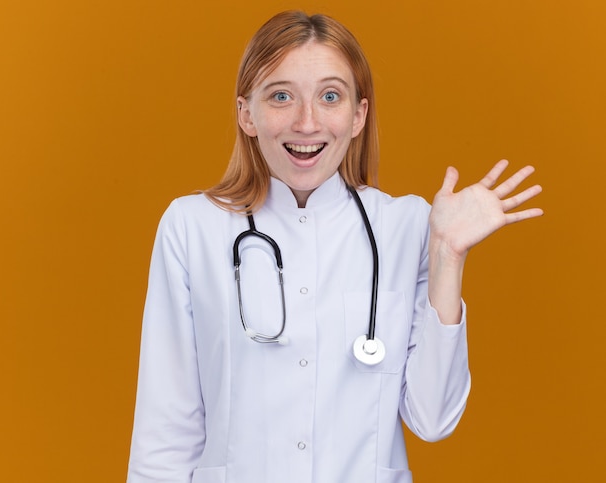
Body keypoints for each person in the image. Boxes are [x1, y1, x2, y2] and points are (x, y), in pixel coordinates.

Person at [127, 10, 543, 483]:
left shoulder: (406, 226)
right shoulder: (192, 227)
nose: (307, 123)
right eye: (281, 96)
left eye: (330, 96)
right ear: (247, 113)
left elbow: (433, 420)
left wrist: (447, 254)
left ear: (358, 114)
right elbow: (165, 433)